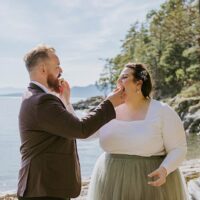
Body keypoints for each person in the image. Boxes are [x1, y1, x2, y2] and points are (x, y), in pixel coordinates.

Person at [17, 44, 125, 200]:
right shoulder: (42, 101)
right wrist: (110, 103)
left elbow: (67, 127)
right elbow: (81, 129)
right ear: (43, 69)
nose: (61, 71)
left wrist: (65, 101)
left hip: (42, 186)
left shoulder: (32, 95)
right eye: (57, 66)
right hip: (44, 189)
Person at [85, 63, 188, 200]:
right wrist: (66, 102)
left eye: (124, 77)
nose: (118, 82)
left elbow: (178, 148)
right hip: (110, 181)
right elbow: (84, 134)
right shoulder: (107, 110)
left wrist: (165, 169)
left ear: (138, 84)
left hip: (151, 184)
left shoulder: (162, 111)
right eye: (119, 78)